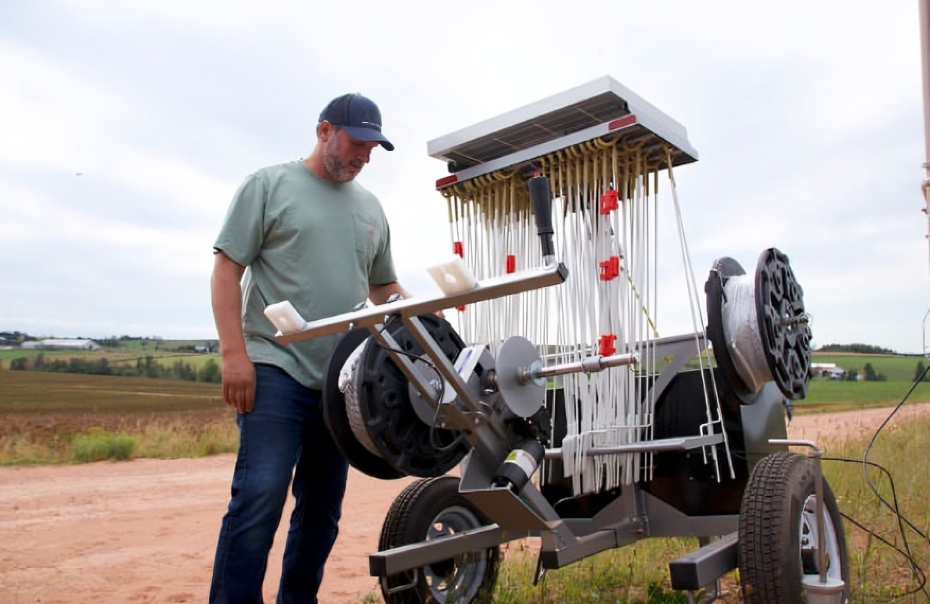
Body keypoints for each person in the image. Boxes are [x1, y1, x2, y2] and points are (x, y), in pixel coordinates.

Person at [209, 92, 412, 604]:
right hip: (273, 367)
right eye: (357, 143)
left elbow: (383, 289)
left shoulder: (370, 209)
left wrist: (430, 315)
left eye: (373, 149)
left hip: (341, 382)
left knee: (321, 510)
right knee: (261, 495)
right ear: (324, 131)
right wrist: (234, 355)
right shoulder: (268, 186)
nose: (365, 156)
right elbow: (227, 269)